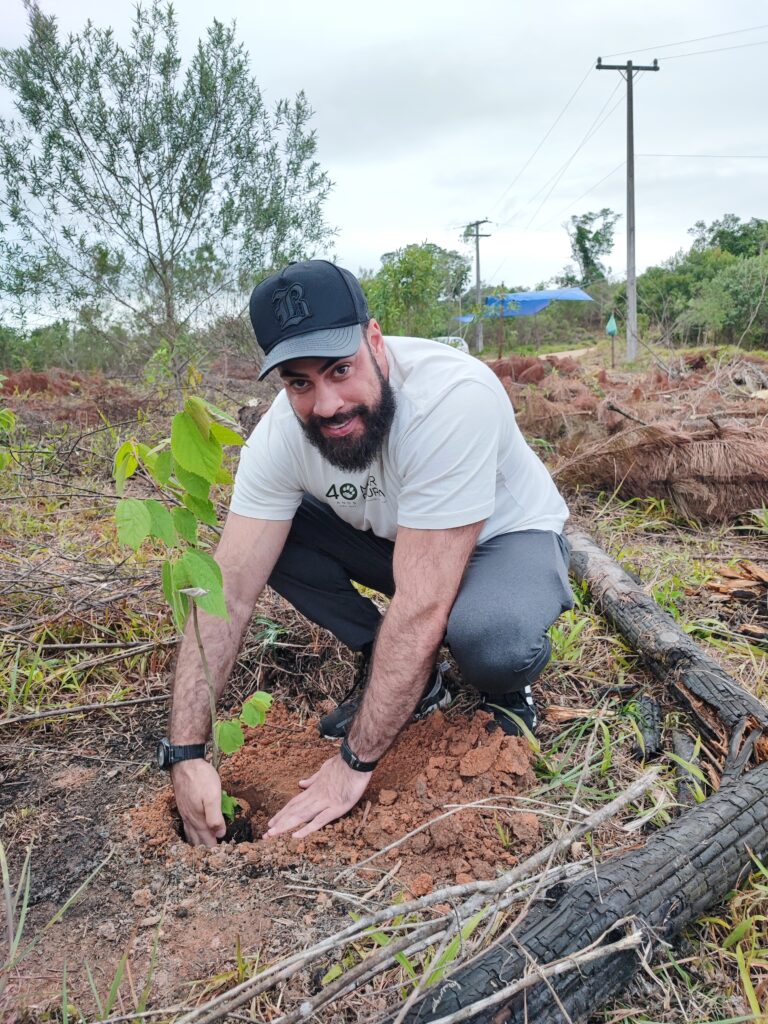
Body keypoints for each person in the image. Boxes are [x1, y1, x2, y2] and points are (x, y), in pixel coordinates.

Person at [162, 260, 573, 847]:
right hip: (403, 542)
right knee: (263, 544)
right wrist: (185, 751)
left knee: (491, 639)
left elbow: (424, 601)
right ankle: (411, 676)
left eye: (340, 369)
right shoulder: (279, 438)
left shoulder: (452, 399)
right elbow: (226, 587)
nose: (326, 403)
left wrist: (351, 765)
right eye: (299, 382)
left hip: (501, 542)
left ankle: (508, 695)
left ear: (375, 341)